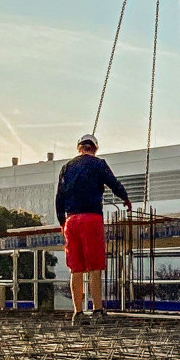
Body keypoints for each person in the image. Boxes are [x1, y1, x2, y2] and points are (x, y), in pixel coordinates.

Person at [55, 134, 131, 323]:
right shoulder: (99, 164)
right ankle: (97, 311)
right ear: (95, 148)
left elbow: (59, 197)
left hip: (71, 220)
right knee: (94, 266)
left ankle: (78, 313)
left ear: (78, 147)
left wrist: (62, 222)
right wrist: (125, 198)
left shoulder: (66, 167)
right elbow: (114, 184)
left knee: (76, 268)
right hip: (91, 218)